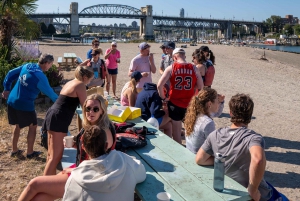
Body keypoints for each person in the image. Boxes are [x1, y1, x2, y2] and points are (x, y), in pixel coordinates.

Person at [18, 94, 117, 201]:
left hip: (88, 178)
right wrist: (75, 145)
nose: (91, 112)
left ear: (102, 111)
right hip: (82, 170)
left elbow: (99, 163)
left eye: (95, 109)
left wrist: (74, 169)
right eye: (88, 108)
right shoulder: (94, 125)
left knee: (35, 184)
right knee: (39, 197)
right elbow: (90, 152)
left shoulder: (103, 132)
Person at [196, 94, 288, 201]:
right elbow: (258, 160)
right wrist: (253, 190)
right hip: (248, 193)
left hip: (228, 187)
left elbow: (200, 159)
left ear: (230, 113)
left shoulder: (215, 134)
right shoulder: (253, 138)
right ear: (250, 115)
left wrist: (224, 159)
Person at [62, 125, 146, 201]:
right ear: (106, 145)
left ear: (83, 147)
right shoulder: (125, 161)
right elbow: (142, 173)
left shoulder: (75, 180)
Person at [2, 53, 58, 158]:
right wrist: (61, 103)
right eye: (51, 64)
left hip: (12, 101)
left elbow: (10, 73)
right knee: (33, 126)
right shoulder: (40, 77)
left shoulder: (28, 66)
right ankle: (30, 153)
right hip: (24, 105)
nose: (50, 66)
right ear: (46, 63)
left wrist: (6, 88)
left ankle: (14, 151)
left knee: (17, 125)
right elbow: (51, 93)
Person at [42, 66, 94, 175]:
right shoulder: (80, 85)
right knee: (56, 156)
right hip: (59, 118)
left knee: (51, 155)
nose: (90, 82)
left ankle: (46, 182)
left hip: (52, 114)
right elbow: (86, 106)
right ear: (85, 77)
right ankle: (46, 185)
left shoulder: (71, 82)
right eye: (90, 79)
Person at [157, 48, 203, 143]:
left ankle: (179, 149)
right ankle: (191, 148)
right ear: (184, 56)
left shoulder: (171, 68)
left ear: (174, 57)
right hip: (190, 103)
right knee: (190, 128)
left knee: (177, 130)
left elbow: (159, 85)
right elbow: (200, 86)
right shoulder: (194, 68)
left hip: (174, 103)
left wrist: (164, 98)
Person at [185, 87, 225, 154]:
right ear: (209, 104)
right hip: (198, 157)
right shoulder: (208, 123)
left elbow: (217, 113)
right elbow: (213, 147)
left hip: (189, 151)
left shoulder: (195, 113)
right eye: (217, 101)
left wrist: (221, 102)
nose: (218, 103)